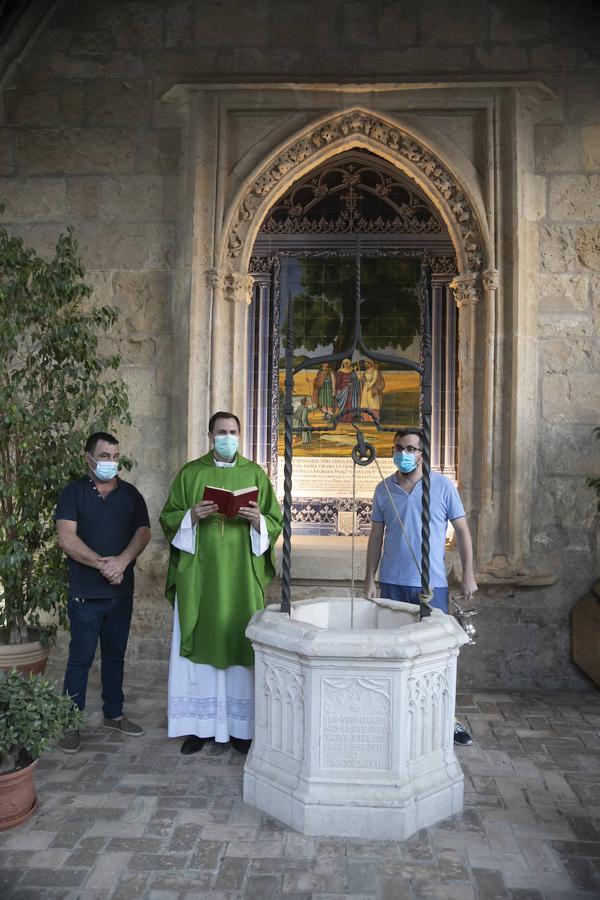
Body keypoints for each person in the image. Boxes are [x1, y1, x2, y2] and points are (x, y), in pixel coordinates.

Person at [159, 412, 283, 755]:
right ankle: (199, 727)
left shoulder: (254, 474)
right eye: (221, 432)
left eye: (233, 432)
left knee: (241, 645)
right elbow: (168, 518)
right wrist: (192, 515)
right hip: (200, 577)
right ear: (210, 436)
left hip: (241, 576)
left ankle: (241, 729)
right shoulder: (191, 474)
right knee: (200, 645)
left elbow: (275, 521)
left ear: (240, 436)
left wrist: (258, 521)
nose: (228, 437)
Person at [364, 428, 477, 746]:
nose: (404, 453)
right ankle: (394, 717)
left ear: (422, 454)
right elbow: (376, 537)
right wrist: (370, 579)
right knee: (392, 653)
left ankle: (446, 718)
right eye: (399, 447)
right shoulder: (384, 489)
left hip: (431, 585)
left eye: (411, 448)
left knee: (437, 655)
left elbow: (462, 532)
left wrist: (468, 574)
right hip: (391, 582)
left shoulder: (442, 487)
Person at [55, 432, 151, 753]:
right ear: (89, 458)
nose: (111, 462)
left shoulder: (131, 495)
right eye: (104, 456)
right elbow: (67, 538)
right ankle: (70, 723)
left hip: (120, 594)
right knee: (80, 660)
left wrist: (122, 561)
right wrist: (103, 565)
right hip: (85, 594)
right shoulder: (73, 493)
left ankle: (114, 714)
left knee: (115, 657)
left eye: (115, 456)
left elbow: (143, 532)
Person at [335, 358, 361, 423]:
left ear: (349, 364)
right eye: (344, 363)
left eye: (347, 363)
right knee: (343, 404)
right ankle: (343, 418)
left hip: (351, 389)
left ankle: (350, 418)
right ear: (343, 364)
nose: (346, 365)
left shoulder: (352, 371)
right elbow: (337, 382)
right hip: (343, 389)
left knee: (350, 402)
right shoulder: (340, 371)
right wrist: (338, 389)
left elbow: (355, 379)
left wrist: (354, 382)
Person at [360, 360, 385, 424]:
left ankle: (374, 418)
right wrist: (361, 379)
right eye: (365, 363)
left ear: (370, 363)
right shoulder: (366, 371)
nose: (366, 364)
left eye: (367, 363)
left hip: (372, 388)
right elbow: (364, 379)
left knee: (373, 403)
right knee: (365, 403)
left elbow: (374, 380)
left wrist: (369, 386)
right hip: (365, 388)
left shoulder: (375, 371)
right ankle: (366, 419)